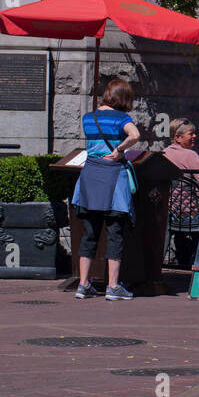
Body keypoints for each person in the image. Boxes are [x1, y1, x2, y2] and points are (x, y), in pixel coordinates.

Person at [72, 78, 142, 301]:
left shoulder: (88, 118)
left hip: (90, 175)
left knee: (89, 233)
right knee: (114, 233)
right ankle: (113, 287)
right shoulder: (122, 118)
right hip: (113, 176)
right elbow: (136, 135)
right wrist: (120, 149)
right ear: (124, 98)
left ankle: (83, 284)